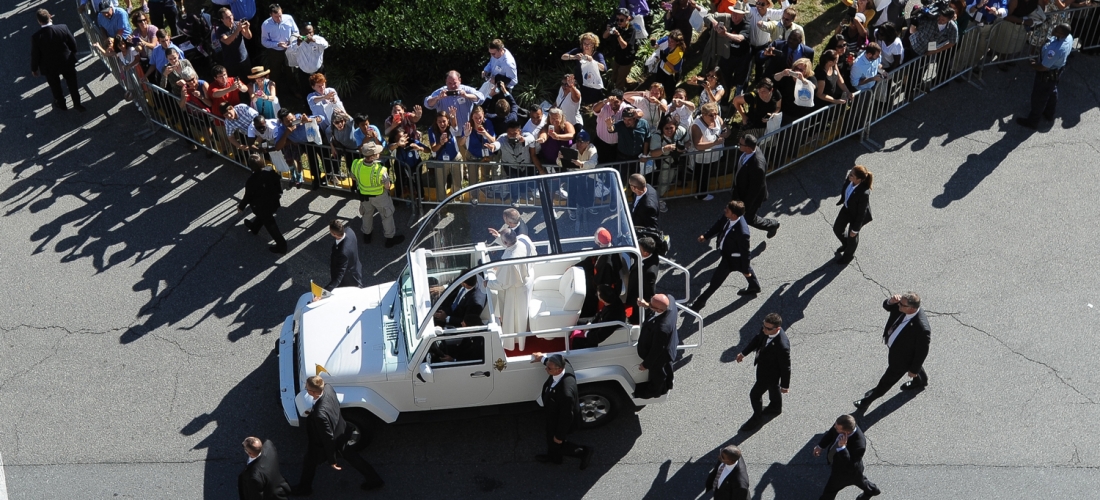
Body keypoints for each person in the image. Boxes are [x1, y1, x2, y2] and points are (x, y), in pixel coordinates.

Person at [291, 376, 384, 495]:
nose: (306, 389)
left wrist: (332, 460)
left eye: (307, 388)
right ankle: (375, 480)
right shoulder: (328, 388)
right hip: (342, 429)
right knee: (353, 458)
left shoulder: (320, 415)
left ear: (312, 392)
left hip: (329, 441)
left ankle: (304, 489)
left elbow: (328, 438)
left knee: (309, 462)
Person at [854, 292, 931, 412]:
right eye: (899, 303)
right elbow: (887, 307)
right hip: (898, 349)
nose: (898, 306)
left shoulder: (921, 328)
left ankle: (867, 400)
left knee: (887, 380)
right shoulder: (902, 307)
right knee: (914, 362)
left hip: (901, 359)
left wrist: (913, 370)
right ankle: (921, 381)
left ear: (911, 308)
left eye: (901, 305)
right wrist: (891, 301)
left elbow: (922, 352)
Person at [691, 200, 761, 311]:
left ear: (733, 214)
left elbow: (745, 252)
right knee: (746, 271)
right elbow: (719, 225)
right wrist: (706, 236)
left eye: (727, 210)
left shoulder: (743, 232)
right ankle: (754, 286)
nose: (725, 210)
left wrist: (746, 268)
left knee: (715, 281)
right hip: (727, 253)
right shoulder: (728, 217)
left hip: (732, 259)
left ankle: (699, 303)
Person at [532, 354, 594, 469]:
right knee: (550, 438)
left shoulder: (565, 393)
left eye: (549, 368)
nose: (546, 369)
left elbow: (566, 417)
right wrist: (542, 358)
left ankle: (582, 452)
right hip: (553, 414)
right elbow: (550, 363)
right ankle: (555, 458)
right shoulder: (566, 367)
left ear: (559, 369)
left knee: (556, 442)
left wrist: (559, 436)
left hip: (559, 419)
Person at [735, 312, 791, 431]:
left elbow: (786, 367)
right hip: (763, 367)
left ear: (778, 328)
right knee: (773, 387)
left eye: (768, 328)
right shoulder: (766, 330)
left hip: (769, 374)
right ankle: (775, 407)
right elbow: (757, 339)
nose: (764, 329)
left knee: (754, 395)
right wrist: (744, 353)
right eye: (763, 326)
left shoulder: (782, 346)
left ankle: (757, 418)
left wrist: (785, 385)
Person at [485, 227, 534, 351]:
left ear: (506, 242)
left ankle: (513, 342)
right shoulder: (523, 239)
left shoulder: (510, 261)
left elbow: (502, 284)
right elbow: (510, 246)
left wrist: (488, 283)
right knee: (522, 316)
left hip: (515, 291)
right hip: (525, 284)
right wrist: (498, 237)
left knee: (512, 318)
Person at [1016, 24, 1072, 129]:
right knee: (1052, 91)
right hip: (1057, 70)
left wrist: (1032, 65)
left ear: (1061, 34)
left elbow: (1043, 67)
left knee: (1039, 97)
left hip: (1046, 74)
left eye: (1056, 30)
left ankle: (1033, 121)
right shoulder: (1068, 37)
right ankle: (1049, 113)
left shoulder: (1055, 50)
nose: (1054, 29)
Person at [812, 415, 882, 500]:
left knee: (830, 491)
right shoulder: (842, 423)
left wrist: (842, 448)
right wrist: (820, 446)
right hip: (851, 469)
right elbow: (831, 433)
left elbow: (850, 465)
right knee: (861, 481)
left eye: (837, 428)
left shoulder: (859, 445)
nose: (834, 427)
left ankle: (872, 490)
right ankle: (872, 490)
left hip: (846, 473)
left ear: (847, 432)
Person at [351, 143, 405, 248]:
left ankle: (367, 235)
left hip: (364, 196)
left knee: (366, 215)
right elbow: (387, 186)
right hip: (380, 197)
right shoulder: (381, 170)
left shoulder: (356, 164)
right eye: (377, 153)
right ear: (373, 156)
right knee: (386, 216)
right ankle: (390, 239)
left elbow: (353, 177)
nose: (379, 153)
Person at [30, 9, 84, 113]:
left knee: (55, 86)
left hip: (49, 66)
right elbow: (72, 42)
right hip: (66, 61)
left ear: (39, 21)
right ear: (50, 16)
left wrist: (34, 68)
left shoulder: (36, 37)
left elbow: (35, 55)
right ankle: (77, 103)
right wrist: (73, 52)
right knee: (72, 83)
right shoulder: (62, 28)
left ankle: (61, 103)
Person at [731, 134, 780, 237]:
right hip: (740, 191)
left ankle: (772, 225)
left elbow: (754, 190)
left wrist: (745, 206)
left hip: (750, 198)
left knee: (749, 218)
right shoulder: (749, 151)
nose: (738, 145)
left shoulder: (757, 166)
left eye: (740, 144)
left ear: (748, 147)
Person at [237, 153, 286, 254]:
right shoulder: (270, 171)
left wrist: (241, 207)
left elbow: (247, 196)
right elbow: (278, 182)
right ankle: (255, 227)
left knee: (270, 225)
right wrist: (278, 194)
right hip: (273, 202)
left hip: (261, 206)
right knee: (264, 217)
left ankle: (282, 246)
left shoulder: (251, 181)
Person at [634, 293, 679, 398]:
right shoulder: (670, 300)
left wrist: (646, 364)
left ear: (659, 310)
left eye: (651, 305)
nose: (649, 304)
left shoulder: (662, 328)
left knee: (658, 375)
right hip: (668, 343)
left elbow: (656, 350)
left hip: (661, 355)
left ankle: (655, 391)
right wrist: (647, 305)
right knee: (666, 368)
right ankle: (668, 381)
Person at [704, 3, 752, 93]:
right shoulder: (726, 17)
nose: (734, 15)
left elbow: (740, 38)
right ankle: (724, 101)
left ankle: (738, 98)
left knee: (741, 79)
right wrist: (714, 22)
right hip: (728, 55)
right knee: (725, 78)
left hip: (742, 57)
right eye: (733, 12)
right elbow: (707, 15)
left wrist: (725, 34)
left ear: (743, 15)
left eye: (738, 13)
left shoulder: (747, 25)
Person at [424, 70, 486, 138]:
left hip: (467, 132)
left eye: (454, 83)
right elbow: (427, 104)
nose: (452, 86)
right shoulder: (440, 92)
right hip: (448, 134)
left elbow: (481, 98)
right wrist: (437, 98)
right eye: (449, 83)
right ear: (446, 82)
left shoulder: (466, 89)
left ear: (460, 80)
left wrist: (466, 95)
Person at [688, 102, 729, 201]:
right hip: (703, 157)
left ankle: (704, 191)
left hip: (715, 154)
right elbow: (698, 145)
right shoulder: (697, 126)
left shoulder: (718, 119)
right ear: (703, 114)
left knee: (709, 172)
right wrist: (714, 143)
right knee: (703, 175)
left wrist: (724, 134)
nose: (714, 117)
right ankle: (701, 194)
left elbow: (727, 131)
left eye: (715, 114)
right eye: (711, 115)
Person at [833, 165, 874, 264]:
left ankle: (848, 256)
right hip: (847, 208)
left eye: (851, 175)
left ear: (858, 179)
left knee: (852, 237)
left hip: (857, 216)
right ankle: (846, 243)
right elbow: (846, 190)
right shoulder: (850, 179)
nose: (849, 175)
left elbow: (861, 213)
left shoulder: (864, 193)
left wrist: (855, 229)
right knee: (837, 228)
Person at [570, 285, 627, 349]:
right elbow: (599, 314)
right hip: (599, 323)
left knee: (576, 341)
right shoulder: (613, 301)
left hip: (600, 338)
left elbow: (600, 336)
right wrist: (590, 324)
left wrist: (586, 332)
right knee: (576, 321)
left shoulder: (612, 316)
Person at [260, 3, 298, 95]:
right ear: (271, 15)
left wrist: (291, 41)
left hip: (288, 50)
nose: (279, 19)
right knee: (275, 72)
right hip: (275, 52)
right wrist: (277, 44)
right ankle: (275, 92)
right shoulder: (266, 25)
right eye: (276, 17)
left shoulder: (288, 18)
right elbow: (264, 41)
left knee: (290, 71)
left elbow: (296, 32)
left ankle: (293, 90)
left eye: (280, 16)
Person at [562, 32, 607, 105]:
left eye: (588, 44)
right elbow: (563, 57)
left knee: (594, 102)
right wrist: (574, 57)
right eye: (584, 43)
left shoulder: (598, 55)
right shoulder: (578, 51)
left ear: (593, 45)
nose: (586, 46)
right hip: (580, 81)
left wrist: (592, 60)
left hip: (592, 83)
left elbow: (603, 68)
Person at [592, 89, 633, 165]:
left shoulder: (626, 108)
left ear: (622, 100)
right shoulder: (605, 106)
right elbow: (595, 109)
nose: (613, 104)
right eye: (611, 102)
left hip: (617, 146)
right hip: (601, 144)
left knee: (613, 167)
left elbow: (639, 113)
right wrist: (605, 101)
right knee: (599, 165)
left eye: (616, 102)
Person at [773, 57, 817, 125]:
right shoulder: (788, 77)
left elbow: (813, 87)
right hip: (786, 112)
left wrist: (802, 79)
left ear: (806, 72)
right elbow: (775, 78)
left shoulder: (811, 78)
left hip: (801, 115)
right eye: (796, 68)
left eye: (801, 70)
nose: (797, 71)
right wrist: (782, 74)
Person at [322, 220, 361, 292]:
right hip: (355, 267)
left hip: (348, 279)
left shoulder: (343, 253)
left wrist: (323, 293)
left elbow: (338, 277)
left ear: (334, 234)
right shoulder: (349, 231)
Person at [604, 8, 638, 90]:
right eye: (617, 19)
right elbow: (604, 36)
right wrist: (608, 30)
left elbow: (624, 46)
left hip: (626, 59)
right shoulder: (616, 26)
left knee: (619, 82)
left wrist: (618, 35)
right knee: (614, 78)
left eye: (621, 20)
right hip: (617, 57)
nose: (619, 22)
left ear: (628, 19)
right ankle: (633, 84)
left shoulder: (631, 30)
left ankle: (617, 97)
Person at [215, 7, 253, 80]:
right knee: (236, 84)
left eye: (231, 15)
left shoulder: (237, 24)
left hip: (244, 59)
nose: (231, 18)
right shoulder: (220, 31)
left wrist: (247, 28)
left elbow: (248, 37)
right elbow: (227, 41)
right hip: (231, 63)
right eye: (227, 17)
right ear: (222, 20)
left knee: (249, 81)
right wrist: (237, 30)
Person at [651, 29, 686, 97]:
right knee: (657, 85)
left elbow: (675, 70)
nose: (669, 43)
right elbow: (656, 45)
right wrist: (653, 44)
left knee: (669, 91)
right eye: (669, 40)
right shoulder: (668, 39)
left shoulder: (679, 54)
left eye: (672, 42)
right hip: (661, 68)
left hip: (669, 75)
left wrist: (665, 60)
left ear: (677, 42)